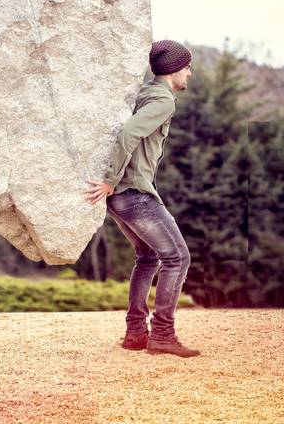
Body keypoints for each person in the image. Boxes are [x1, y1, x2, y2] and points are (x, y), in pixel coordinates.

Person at [84, 40, 200, 358]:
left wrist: (112, 186)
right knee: (178, 258)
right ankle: (162, 334)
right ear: (175, 68)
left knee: (147, 259)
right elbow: (128, 134)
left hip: (122, 198)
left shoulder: (145, 92)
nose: (189, 73)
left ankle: (136, 333)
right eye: (187, 67)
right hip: (134, 195)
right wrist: (109, 181)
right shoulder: (164, 99)